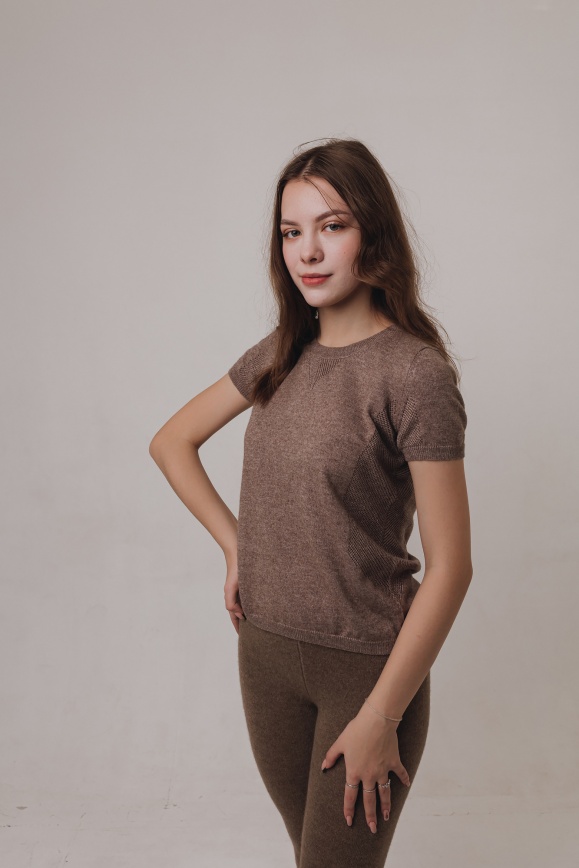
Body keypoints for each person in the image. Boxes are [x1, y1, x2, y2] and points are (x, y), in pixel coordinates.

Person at [149, 137, 473, 868]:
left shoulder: (413, 375)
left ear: (373, 232)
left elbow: (452, 568)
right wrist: (237, 545)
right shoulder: (280, 351)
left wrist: (381, 715)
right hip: (264, 655)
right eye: (291, 232)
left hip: (364, 671)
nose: (309, 252)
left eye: (332, 226)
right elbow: (171, 442)